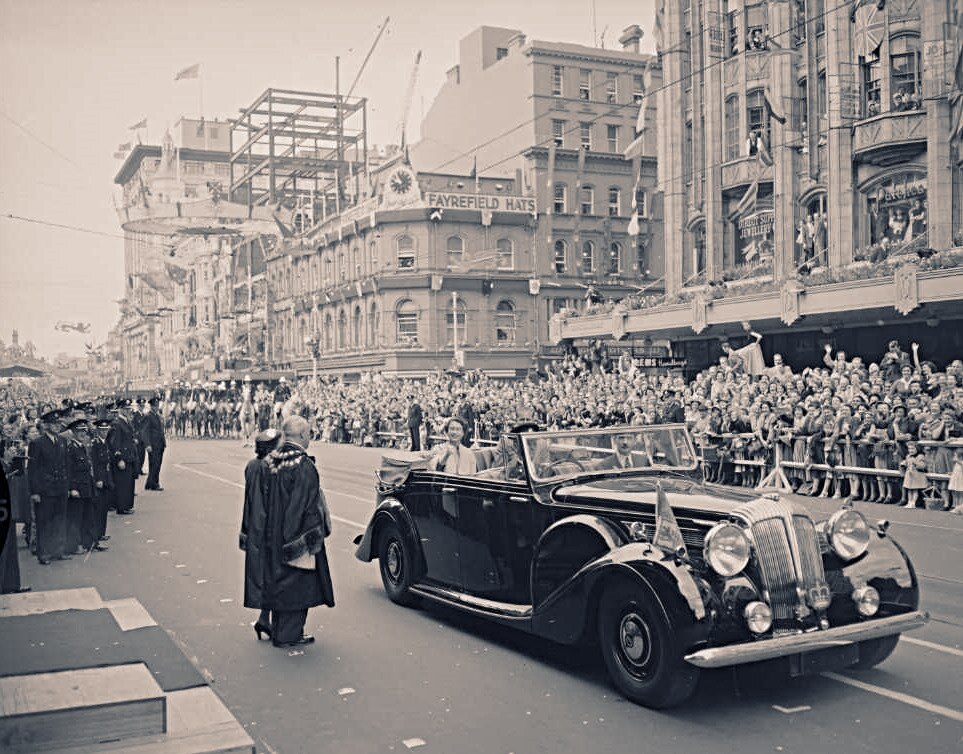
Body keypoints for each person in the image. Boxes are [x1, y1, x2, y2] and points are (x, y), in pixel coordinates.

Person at [262, 415, 335, 648]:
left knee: (279, 583)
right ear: (303, 435)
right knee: (298, 586)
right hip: (296, 536)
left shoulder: (271, 459)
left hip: (270, 531)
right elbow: (302, 505)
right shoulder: (303, 465)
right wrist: (300, 541)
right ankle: (288, 634)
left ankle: (276, 627)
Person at [240, 428, 281, 641]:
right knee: (269, 575)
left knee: (266, 576)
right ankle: (265, 620)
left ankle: (265, 619)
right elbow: (261, 503)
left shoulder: (253, 466)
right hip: (264, 529)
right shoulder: (265, 468)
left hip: (255, 526)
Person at [28, 410, 69, 564]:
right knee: (44, 522)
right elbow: (32, 470)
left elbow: (66, 465)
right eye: (53, 423)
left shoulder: (62, 441)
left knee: (60, 520)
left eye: (59, 423)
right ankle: (43, 553)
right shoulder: (37, 443)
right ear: (46, 425)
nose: (57, 426)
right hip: (45, 489)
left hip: (60, 487)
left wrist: (67, 486)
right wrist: (34, 492)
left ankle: (58, 550)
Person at [107, 400, 139, 514]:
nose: (127, 411)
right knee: (122, 484)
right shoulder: (117, 423)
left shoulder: (126, 422)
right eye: (125, 409)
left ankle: (126, 505)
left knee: (128, 482)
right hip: (123, 458)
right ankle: (121, 507)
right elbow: (115, 443)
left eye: (128, 409)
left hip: (129, 456)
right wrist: (119, 458)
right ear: (120, 409)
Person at [141, 397, 167, 491]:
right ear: (151, 406)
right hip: (153, 444)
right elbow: (144, 431)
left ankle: (149, 483)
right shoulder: (148, 416)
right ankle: (155, 484)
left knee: (157, 464)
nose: (156, 407)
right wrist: (147, 444)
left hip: (160, 444)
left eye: (157, 405)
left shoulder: (157, 415)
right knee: (154, 464)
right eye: (154, 406)